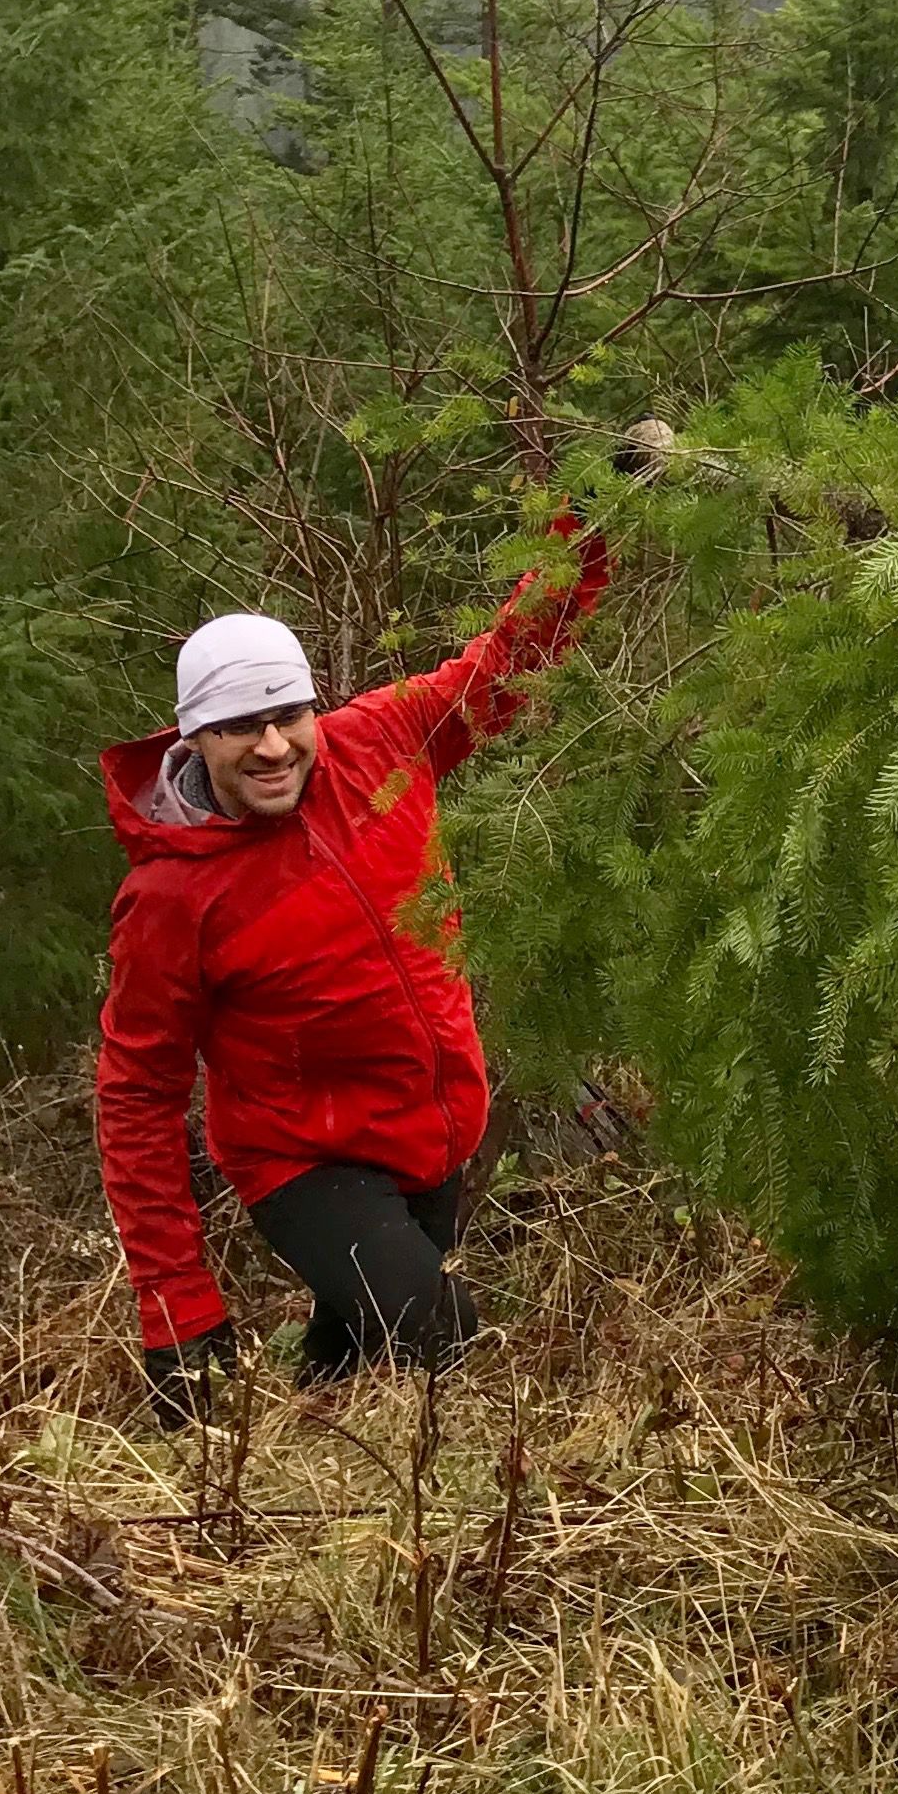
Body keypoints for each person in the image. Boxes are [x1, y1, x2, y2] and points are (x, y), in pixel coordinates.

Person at [95, 521, 605, 1422]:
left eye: (286, 716)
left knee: (352, 1384)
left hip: (433, 1140)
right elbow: (137, 1096)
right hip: (307, 1165)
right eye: (238, 727)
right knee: (445, 1347)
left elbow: (505, 665)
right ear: (193, 736)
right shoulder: (171, 895)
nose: (272, 747)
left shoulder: (378, 742)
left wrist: (598, 530)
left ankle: (269, 1511)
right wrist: (175, 1309)